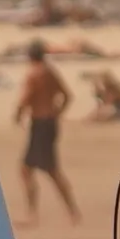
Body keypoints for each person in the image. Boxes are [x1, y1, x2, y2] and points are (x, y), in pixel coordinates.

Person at [13, 40, 80, 223]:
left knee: (39, 170)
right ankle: (71, 212)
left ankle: (34, 214)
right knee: (41, 169)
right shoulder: (50, 72)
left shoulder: (33, 74)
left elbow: (26, 97)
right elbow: (67, 95)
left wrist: (18, 114)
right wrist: (57, 113)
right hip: (50, 123)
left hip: (39, 124)